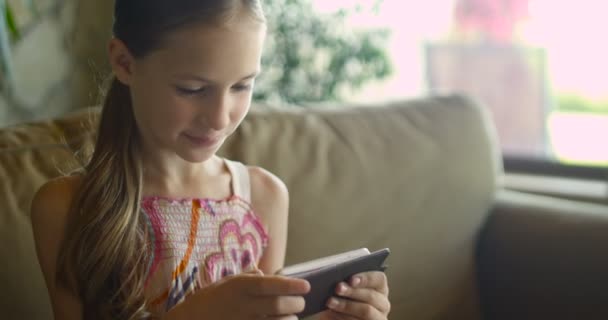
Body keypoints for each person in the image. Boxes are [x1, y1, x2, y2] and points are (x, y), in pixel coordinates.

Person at [30, 0, 391, 319]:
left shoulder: (263, 196)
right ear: (125, 63)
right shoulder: (66, 208)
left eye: (242, 86)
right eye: (193, 89)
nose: (220, 118)